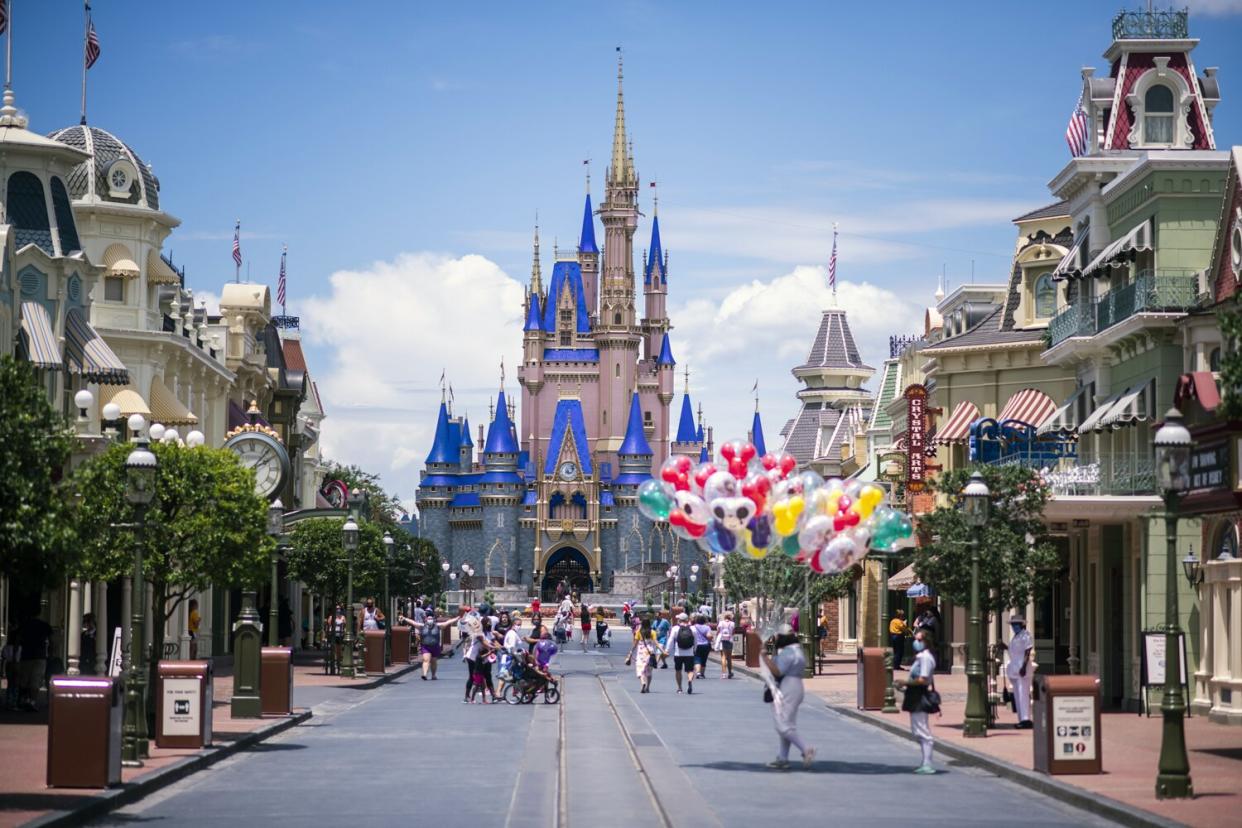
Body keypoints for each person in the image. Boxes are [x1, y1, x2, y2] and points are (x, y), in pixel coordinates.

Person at [761, 624, 815, 770]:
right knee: (788, 723)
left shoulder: (788, 653)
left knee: (782, 724)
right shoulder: (797, 651)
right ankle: (783, 757)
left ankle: (805, 749)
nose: (776, 638)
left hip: (787, 686)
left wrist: (765, 657)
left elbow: (777, 671)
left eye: (778, 636)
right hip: (796, 685)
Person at [897, 630, 940, 773]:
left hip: (919, 695)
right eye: (916, 639)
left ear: (926, 641)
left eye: (919, 640)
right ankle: (925, 761)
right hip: (913, 694)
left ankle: (928, 763)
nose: (916, 642)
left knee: (922, 730)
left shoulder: (926, 658)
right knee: (917, 730)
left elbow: (923, 679)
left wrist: (906, 681)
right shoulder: (920, 657)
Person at [17, 611, 52, 711]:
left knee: (24, 680)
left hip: (26, 655)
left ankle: (24, 700)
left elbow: (18, 639)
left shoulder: (25, 625)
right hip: (40, 656)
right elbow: (52, 641)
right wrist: (51, 653)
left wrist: (16, 654)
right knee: (36, 680)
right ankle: (32, 701)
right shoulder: (44, 626)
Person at [1006, 614, 1034, 729]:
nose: (1014, 626)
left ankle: (1026, 719)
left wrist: (1023, 666)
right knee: (1017, 695)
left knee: (1023, 694)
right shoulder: (1016, 636)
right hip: (1014, 670)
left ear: (1022, 624)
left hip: (1022, 670)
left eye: (1016, 624)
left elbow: (1027, 652)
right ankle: (1021, 719)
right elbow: (1014, 652)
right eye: (1013, 624)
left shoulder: (1026, 636)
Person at [663, 613, 698, 694]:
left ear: (680, 620)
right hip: (689, 653)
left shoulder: (675, 628)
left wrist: (667, 650)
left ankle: (679, 688)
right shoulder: (693, 628)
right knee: (690, 670)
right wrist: (695, 650)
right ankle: (689, 680)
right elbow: (695, 641)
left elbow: (671, 640)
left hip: (678, 653)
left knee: (678, 670)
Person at [626, 616, 660, 693]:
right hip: (650, 653)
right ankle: (647, 687)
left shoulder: (638, 632)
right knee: (649, 671)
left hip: (641, 653)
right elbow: (656, 643)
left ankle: (643, 683)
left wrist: (631, 652)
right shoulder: (653, 632)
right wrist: (663, 650)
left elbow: (635, 644)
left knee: (640, 669)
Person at [714, 611, 736, 679]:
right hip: (729, 641)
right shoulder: (732, 623)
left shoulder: (721, 623)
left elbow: (717, 632)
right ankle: (730, 672)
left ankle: (723, 673)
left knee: (723, 657)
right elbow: (733, 633)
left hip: (722, 641)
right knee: (729, 658)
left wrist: (717, 638)